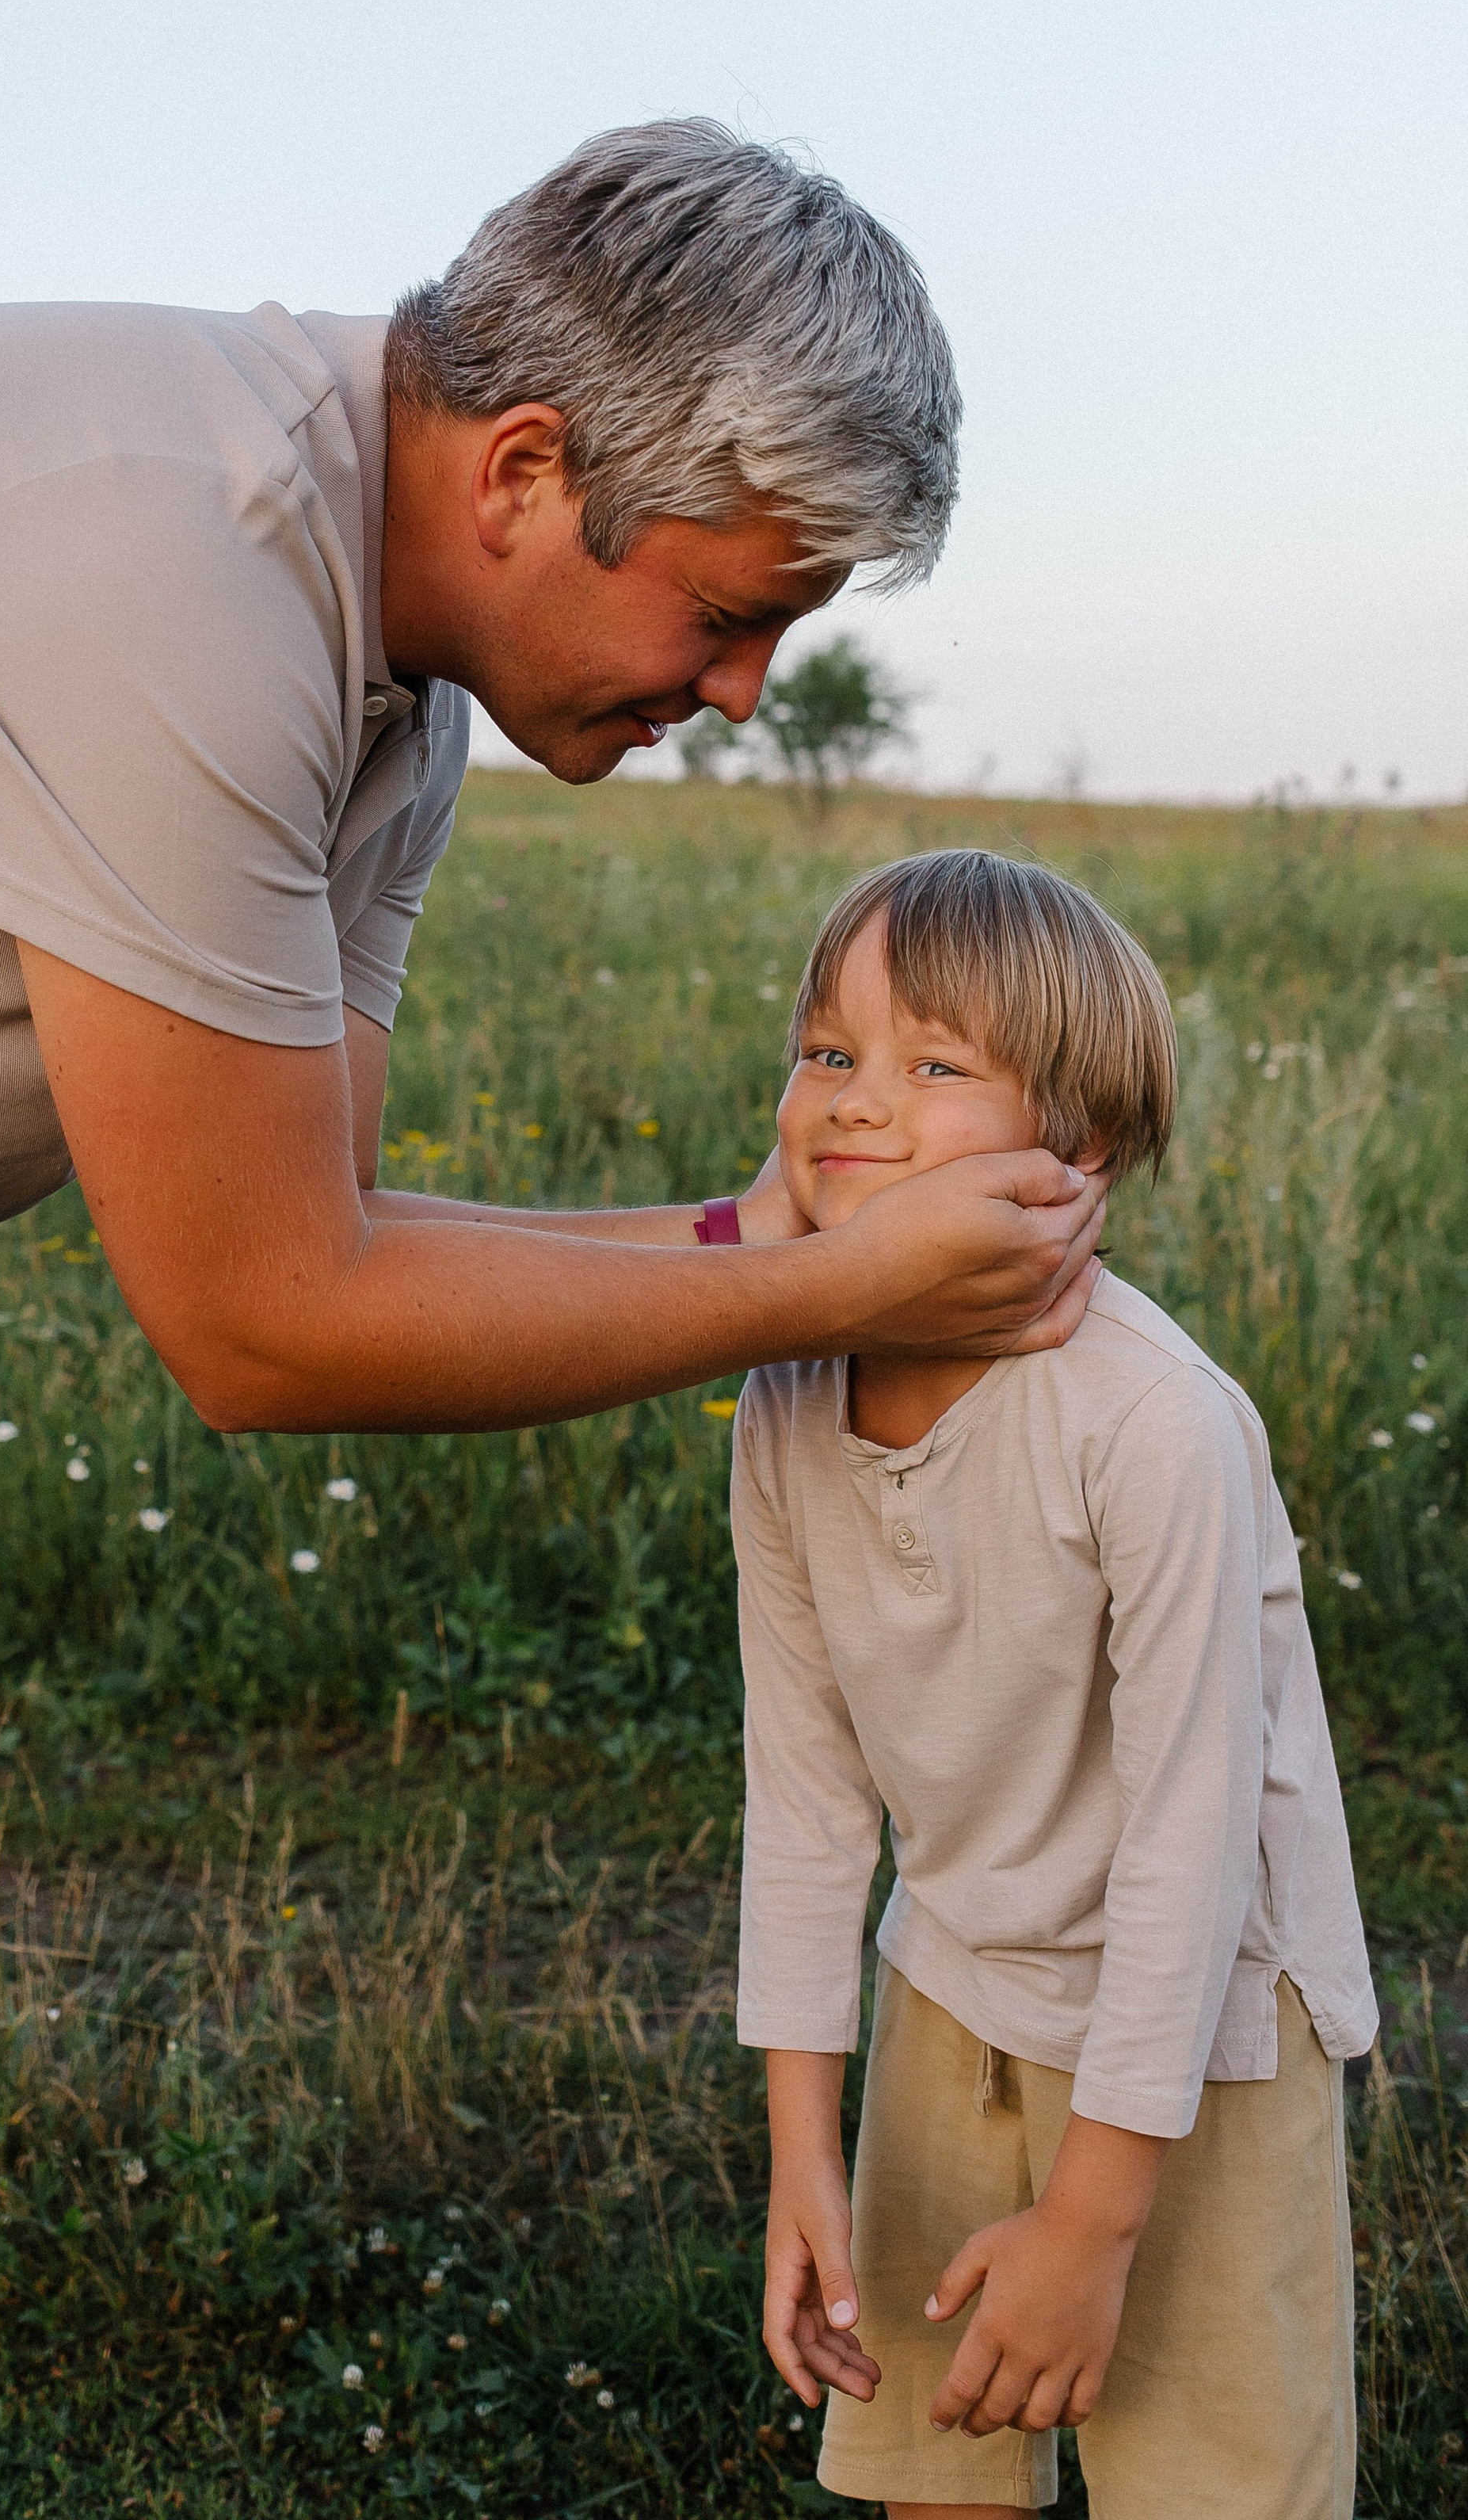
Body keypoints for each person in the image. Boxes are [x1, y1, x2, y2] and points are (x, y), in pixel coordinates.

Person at [0, 123, 1107, 2518]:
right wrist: (848, 1286)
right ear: (531, 471)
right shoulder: (165, 556)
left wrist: (765, 1248)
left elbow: (324, 1215)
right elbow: (265, 1328)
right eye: (734, 617)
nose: (744, 693)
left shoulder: (386, 712)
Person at [736, 850, 1376, 2518]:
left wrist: (1095, 2218)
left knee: (1211, 2488)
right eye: (825, 1053)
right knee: (936, 2465)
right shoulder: (783, 1395)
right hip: (952, 1985)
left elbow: (1186, 1841)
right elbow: (804, 1801)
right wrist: (805, 2148)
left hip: (1201, 2028)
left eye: (932, 1065)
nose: (854, 1105)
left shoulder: (1150, 1420)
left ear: (1073, 1150)